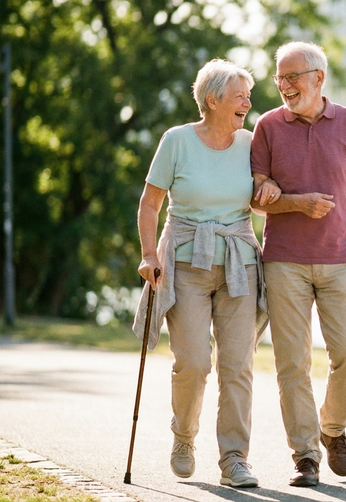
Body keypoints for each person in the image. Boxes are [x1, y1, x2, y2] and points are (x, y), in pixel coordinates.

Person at [132, 59, 271, 488]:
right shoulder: (176, 141)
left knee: (238, 366)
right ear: (212, 100)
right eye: (239, 95)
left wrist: (271, 192)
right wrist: (148, 254)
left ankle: (234, 458)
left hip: (239, 266)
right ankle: (184, 437)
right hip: (186, 266)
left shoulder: (252, 142)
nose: (248, 102)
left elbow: (263, 202)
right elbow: (150, 204)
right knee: (192, 363)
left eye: (248, 95)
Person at [249, 41, 346, 487]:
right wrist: (293, 202)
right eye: (279, 78)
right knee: (292, 364)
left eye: (292, 77)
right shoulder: (267, 126)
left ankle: (333, 430)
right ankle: (305, 456)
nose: (284, 86)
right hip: (284, 262)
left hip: (342, 258)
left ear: (318, 78)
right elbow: (257, 196)